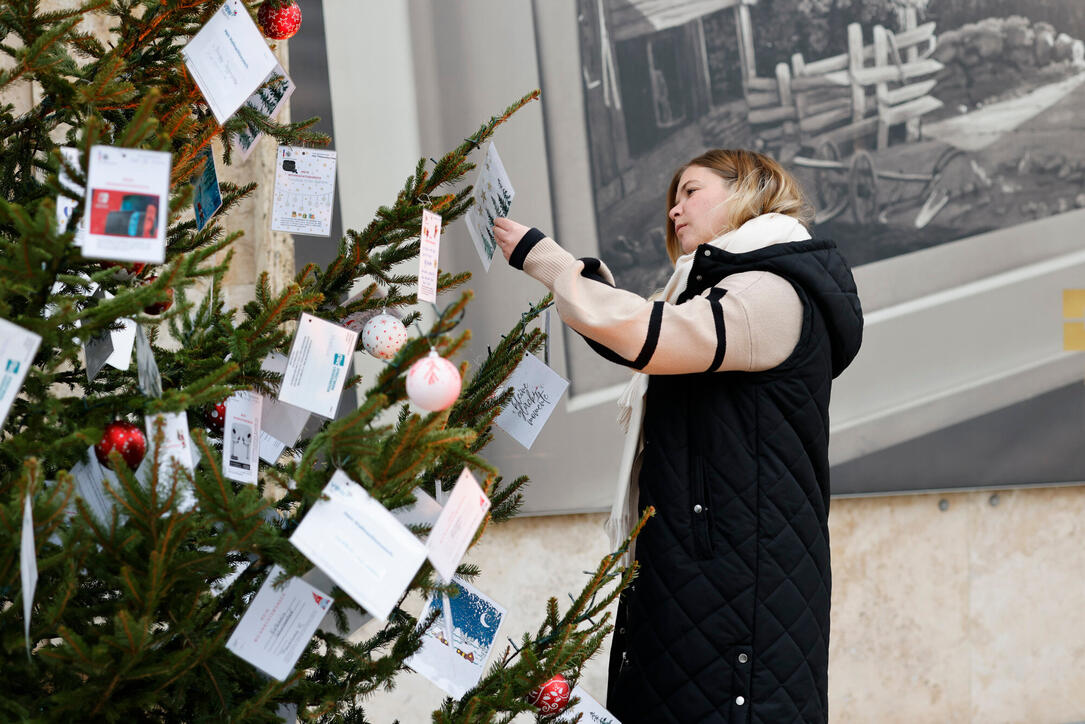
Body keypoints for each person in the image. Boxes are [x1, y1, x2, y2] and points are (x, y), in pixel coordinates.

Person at [493, 148, 864, 723]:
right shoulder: (730, 290)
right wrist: (579, 284)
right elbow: (652, 337)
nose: (674, 210)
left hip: (740, 584)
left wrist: (550, 262)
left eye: (691, 191)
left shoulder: (772, 291)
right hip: (711, 572)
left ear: (749, 189)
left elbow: (654, 336)